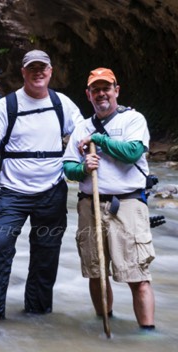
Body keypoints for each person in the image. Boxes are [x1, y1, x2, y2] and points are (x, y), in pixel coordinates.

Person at [0, 49, 84, 320]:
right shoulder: (7, 105)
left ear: (51, 72)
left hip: (51, 191)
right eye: (32, 68)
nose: (38, 72)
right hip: (13, 193)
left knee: (46, 254)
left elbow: (81, 135)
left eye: (43, 68)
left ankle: (37, 315)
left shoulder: (62, 104)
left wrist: (90, 152)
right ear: (23, 72)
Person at [63, 68, 156, 330]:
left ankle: (147, 334)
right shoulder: (82, 125)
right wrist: (83, 168)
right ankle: (105, 323)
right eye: (95, 89)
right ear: (88, 94)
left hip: (127, 203)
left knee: (137, 274)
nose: (101, 93)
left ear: (117, 90)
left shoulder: (133, 119)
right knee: (96, 271)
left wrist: (98, 139)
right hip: (89, 204)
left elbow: (133, 151)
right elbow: (68, 167)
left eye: (106, 88)